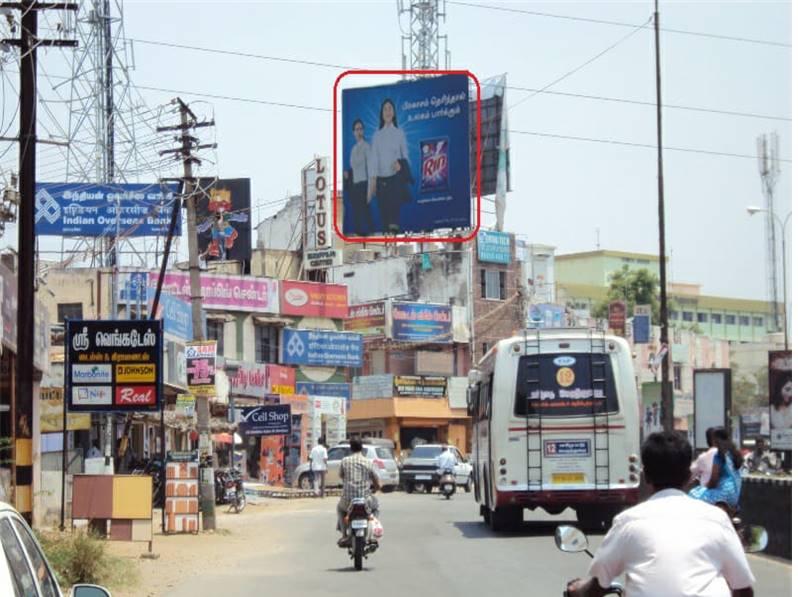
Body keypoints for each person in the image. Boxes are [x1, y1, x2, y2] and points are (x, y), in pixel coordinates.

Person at [566, 431, 756, 597]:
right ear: (687, 476)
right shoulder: (717, 519)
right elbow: (743, 588)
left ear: (646, 475)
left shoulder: (628, 522)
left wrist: (577, 590)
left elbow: (597, 586)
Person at [369, 98, 411, 234]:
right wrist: (373, 181)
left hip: (395, 180)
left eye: (390, 108)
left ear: (393, 113)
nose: (387, 111)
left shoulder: (399, 133)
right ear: (382, 113)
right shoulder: (377, 135)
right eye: (385, 109)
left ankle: (395, 241)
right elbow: (374, 159)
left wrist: (401, 166)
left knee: (394, 220)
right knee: (384, 218)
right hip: (381, 181)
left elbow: (405, 155)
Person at [689, 427, 743, 516]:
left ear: (715, 440)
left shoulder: (718, 456)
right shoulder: (734, 454)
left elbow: (713, 482)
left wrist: (705, 487)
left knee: (693, 494)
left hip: (722, 497)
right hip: (734, 497)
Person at [337, 438, 380, 546]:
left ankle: (344, 535)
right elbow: (377, 482)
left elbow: (341, 475)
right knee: (376, 507)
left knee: (340, 509)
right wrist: (377, 488)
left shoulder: (345, 461)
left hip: (347, 501)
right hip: (365, 500)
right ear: (362, 448)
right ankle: (373, 532)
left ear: (351, 448)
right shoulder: (368, 462)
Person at [343, 119, 375, 236]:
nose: (359, 131)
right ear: (353, 132)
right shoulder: (353, 150)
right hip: (355, 186)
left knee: (366, 214)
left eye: (361, 129)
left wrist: (370, 191)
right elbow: (354, 168)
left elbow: (371, 168)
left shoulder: (367, 147)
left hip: (364, 184)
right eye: (357, 129)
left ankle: (371, 235)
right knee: (357, 215)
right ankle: (359, 237)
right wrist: (347, 175)